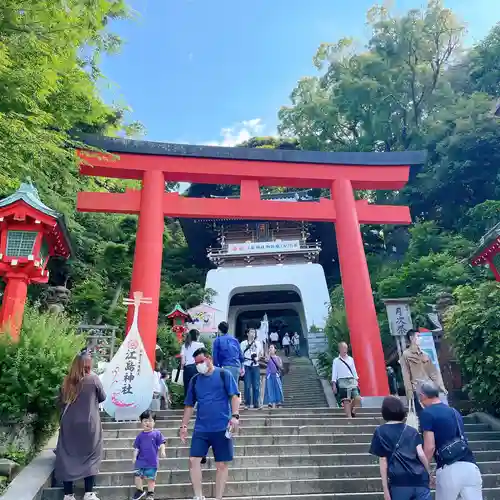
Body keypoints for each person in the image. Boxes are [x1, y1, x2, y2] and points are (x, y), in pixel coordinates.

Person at [180, 347, 241, 500]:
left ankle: (218, 497)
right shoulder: (195, 380)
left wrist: (235, 416)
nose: (198, 365)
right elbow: (189, 405)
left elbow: (235, 396)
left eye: (201, 361)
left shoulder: (223, 374)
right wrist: (184, 426)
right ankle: (198, 496)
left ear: (209, 359)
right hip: (201, 428)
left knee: (221, 464)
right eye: (196, 363)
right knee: (193, 460)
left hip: (222, 427)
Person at [55, 350, 106, 500]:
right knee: (91, 455)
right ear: (89, 364)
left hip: (70, 425)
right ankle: (89, 493)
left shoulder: (66, 381)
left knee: (67, 456)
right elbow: (103, 397)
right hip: (89, 425)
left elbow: (60, 401)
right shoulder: (94, 379)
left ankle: (68, 494)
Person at [419, 382, 483, 500]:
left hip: (449, 470)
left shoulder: (427, 413)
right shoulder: (454, 411)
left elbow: (430, 447)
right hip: (470, 467)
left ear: (422, 396)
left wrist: (425, 471)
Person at [370, 396, 432, 500]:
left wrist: (385, 490)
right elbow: (421, 454)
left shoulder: (380, 432)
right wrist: (430, 473)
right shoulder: (412, 430)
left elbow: (383, 461)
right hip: (419, 479)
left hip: (398, 482)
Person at [401, 329, 447, 420]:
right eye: (418, 336)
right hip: (417, 389)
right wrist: (409, 393)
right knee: (423, 414)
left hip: (429, 387)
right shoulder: (406, 355)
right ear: (411, 338)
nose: (420, 339)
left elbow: (434, 373)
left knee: (435, 412)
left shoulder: (425, 355)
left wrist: (441, 387)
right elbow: (406, 376)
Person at [132, 411, 167, 500]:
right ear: (141, 422)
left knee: (151, 479)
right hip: (140, 461)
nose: (148, 423)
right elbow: (136, 448)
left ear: (154, 422)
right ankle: (140, 490)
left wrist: (163, 451)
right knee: (137, 476)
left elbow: (162, 443)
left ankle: (150, 493)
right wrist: (134, 457)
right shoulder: (139, 436)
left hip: (152, 461)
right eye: (145, 421)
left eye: (150, 421)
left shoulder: (157, 433)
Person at [331, 342, 361, 419]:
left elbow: (354, 371)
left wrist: (357, 380)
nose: (345, 350)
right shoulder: (336, 360)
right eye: (343, 348)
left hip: (351, 380)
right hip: (342, 381)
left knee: (357, 398)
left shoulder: (351, 359)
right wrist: (334, 384)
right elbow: (334, 373)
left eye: (346, 348)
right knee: (346, 400)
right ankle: (349, 417)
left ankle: (353, 410)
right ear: (339, 349)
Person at [240, 328, 263, 410]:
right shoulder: (243, 343)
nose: (253, 334)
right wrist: (241, 367)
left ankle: (256, 403)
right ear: (248, 334)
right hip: (246, 365)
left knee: (256, 385)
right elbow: (240, 355)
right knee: (247, 385)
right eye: (251, 332)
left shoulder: (258, 343)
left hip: (255, 365)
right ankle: (247, 403)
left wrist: (258, 358)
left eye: (254, 332)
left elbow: (261, 353)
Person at [181, 329, 205, 398]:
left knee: (187, 388)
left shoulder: (185, 345)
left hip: (187, 369)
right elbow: (203, 358)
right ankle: (197, 405)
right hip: (197, 368)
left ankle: (188, 405)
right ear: (197, 336)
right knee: (198, 387)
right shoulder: (201, 345)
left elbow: (183, 362)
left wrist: (182, 368)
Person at [264, 344, 284, 408]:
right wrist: (269, 355)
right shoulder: (268, 357)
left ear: (275, 350)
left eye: (272, 347)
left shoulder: (278, 358)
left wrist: (276, 361)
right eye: (269, 347)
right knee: (269, 388)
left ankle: (279, 402)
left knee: (277, 388)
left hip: (276, 375)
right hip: (269, 375)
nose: (270, 348)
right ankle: (270, 402)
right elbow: (266, 360)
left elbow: (281, 366)